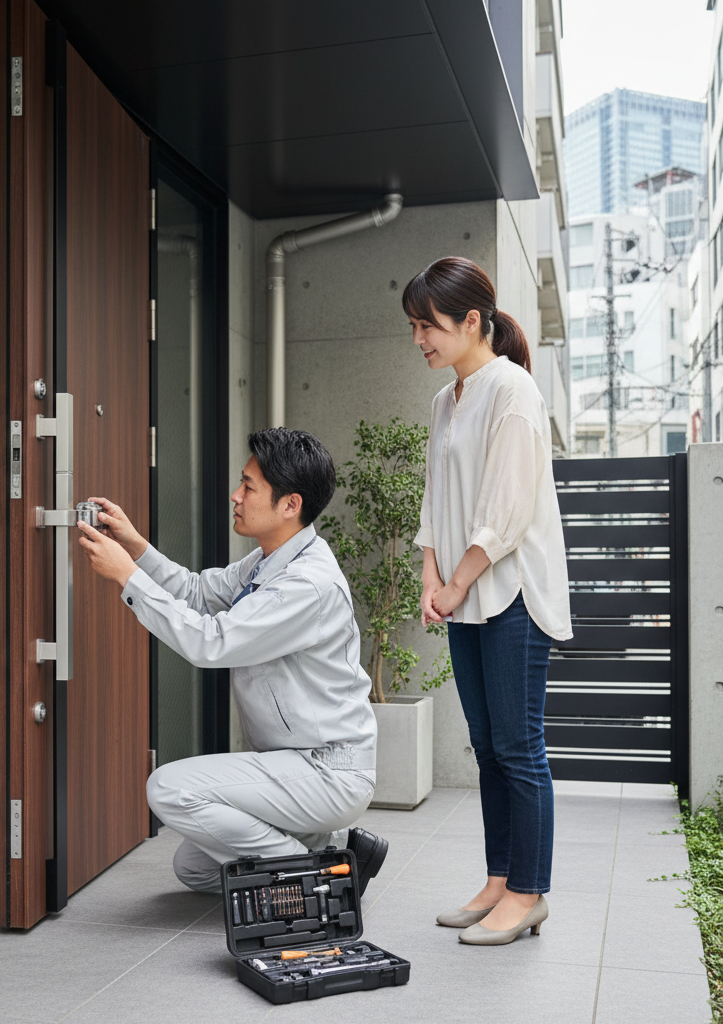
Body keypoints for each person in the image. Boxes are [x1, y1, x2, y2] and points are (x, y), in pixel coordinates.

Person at [75, 427, 389, 897]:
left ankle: (317, 879)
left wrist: (128, 578)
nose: (235, 496)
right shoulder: (271, 559)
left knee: (168, 789)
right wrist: (136, 547)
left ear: (290, 504)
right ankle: (334, 848)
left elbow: (211, 644)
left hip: (327, 769)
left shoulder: (304, 584)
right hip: (292, 764)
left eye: (249, 487)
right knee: (196, 869)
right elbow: (200, 592)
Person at [405, 257, 572, 946]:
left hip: (511, 595)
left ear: (472, 320)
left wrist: (458, 579)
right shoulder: (446, 400)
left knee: (518, 746)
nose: (420, 340)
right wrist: (428, 578)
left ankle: (529, 893)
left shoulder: (513, 391)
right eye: (414, 327)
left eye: (428, 325)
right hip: (463, 593)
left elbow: (504, 510)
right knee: (487, 746)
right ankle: (500, 880)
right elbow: (434, 501)